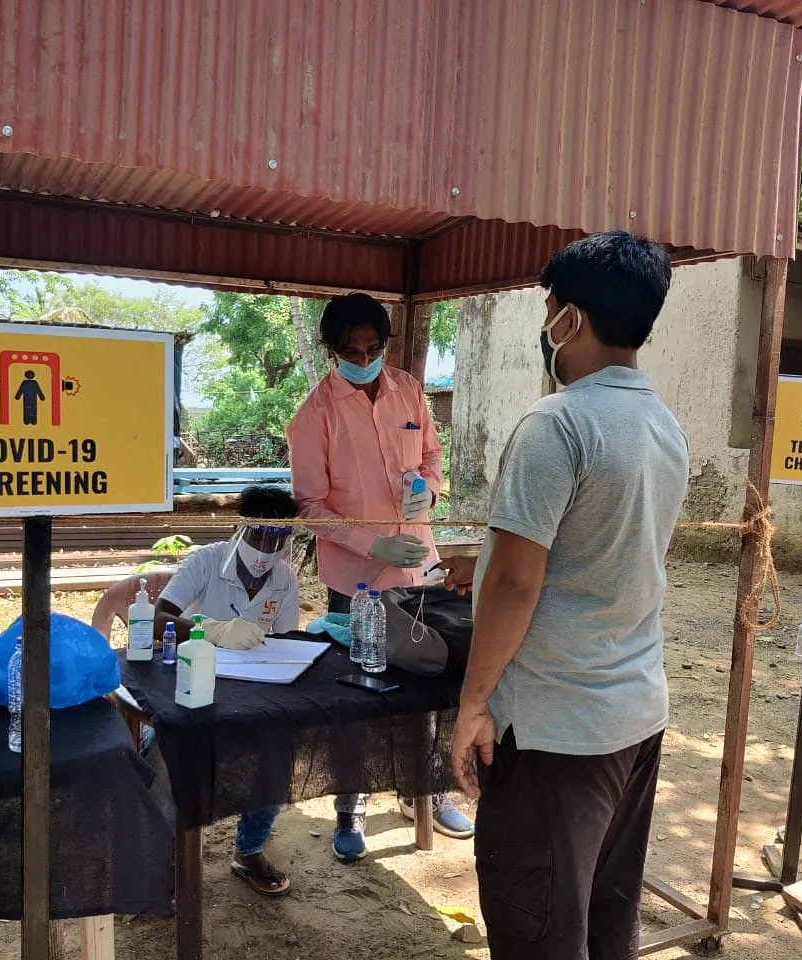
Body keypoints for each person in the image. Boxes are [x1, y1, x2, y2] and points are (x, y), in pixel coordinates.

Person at [446, 233, 689, 959]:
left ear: (570, 319)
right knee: (604, 921)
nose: (547, 321)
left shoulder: (557, 423)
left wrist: (471, 705)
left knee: (538, 930)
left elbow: (518, 583)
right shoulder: (663, 425)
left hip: (557, 732)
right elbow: (600, 552)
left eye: (549, 307)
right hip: (635, 716)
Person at [287, 292, 475, 862]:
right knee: (359, 687)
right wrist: (371, 542)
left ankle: (431, 788)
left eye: (373, 348)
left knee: (432, 675)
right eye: (351, 350)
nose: (364, 358)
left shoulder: (409, 392)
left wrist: (429, 491)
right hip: (355, 575)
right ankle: (353, 802)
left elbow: (433, 461)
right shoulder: (313, 414)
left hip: (417, 563)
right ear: (331, 350)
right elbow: (307, 506)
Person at [94, 485, 300, 897]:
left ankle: (250, 849)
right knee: (170, 754)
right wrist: (215, 631)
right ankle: (161, 857)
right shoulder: (206, 562)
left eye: (279, 539)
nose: (267, 548)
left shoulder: (283, 578)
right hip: (185, 679)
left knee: (276, 750)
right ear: (242, 528)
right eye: (260, 536)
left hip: (250, 687)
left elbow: (287, 639)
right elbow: (159, 619)